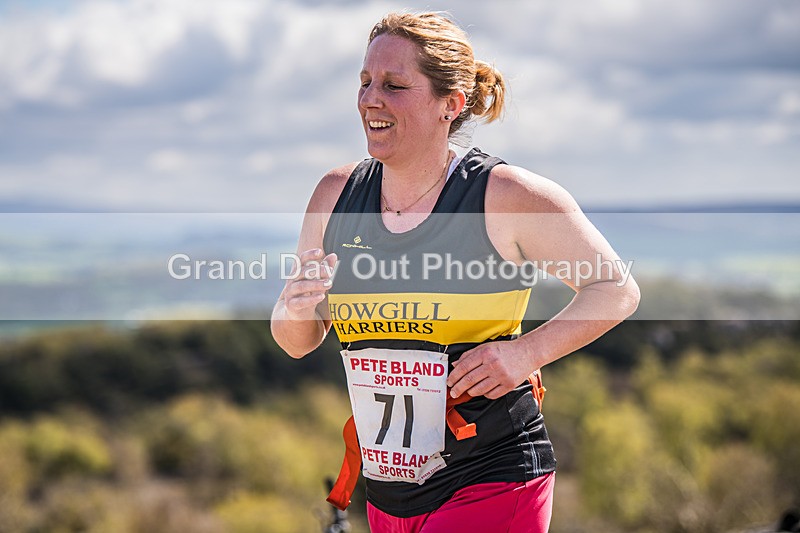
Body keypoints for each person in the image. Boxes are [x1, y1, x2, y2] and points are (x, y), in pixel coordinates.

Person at [271, 11, 640, 533]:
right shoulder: (336, 196)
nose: (371, 99)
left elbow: (616, 289)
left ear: (451, 104)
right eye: (365, 82)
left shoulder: (506, 196)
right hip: (387, 490)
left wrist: (527, 353)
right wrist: (295, 305)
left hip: (492, 475)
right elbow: (296, 340)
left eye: (395, 85)